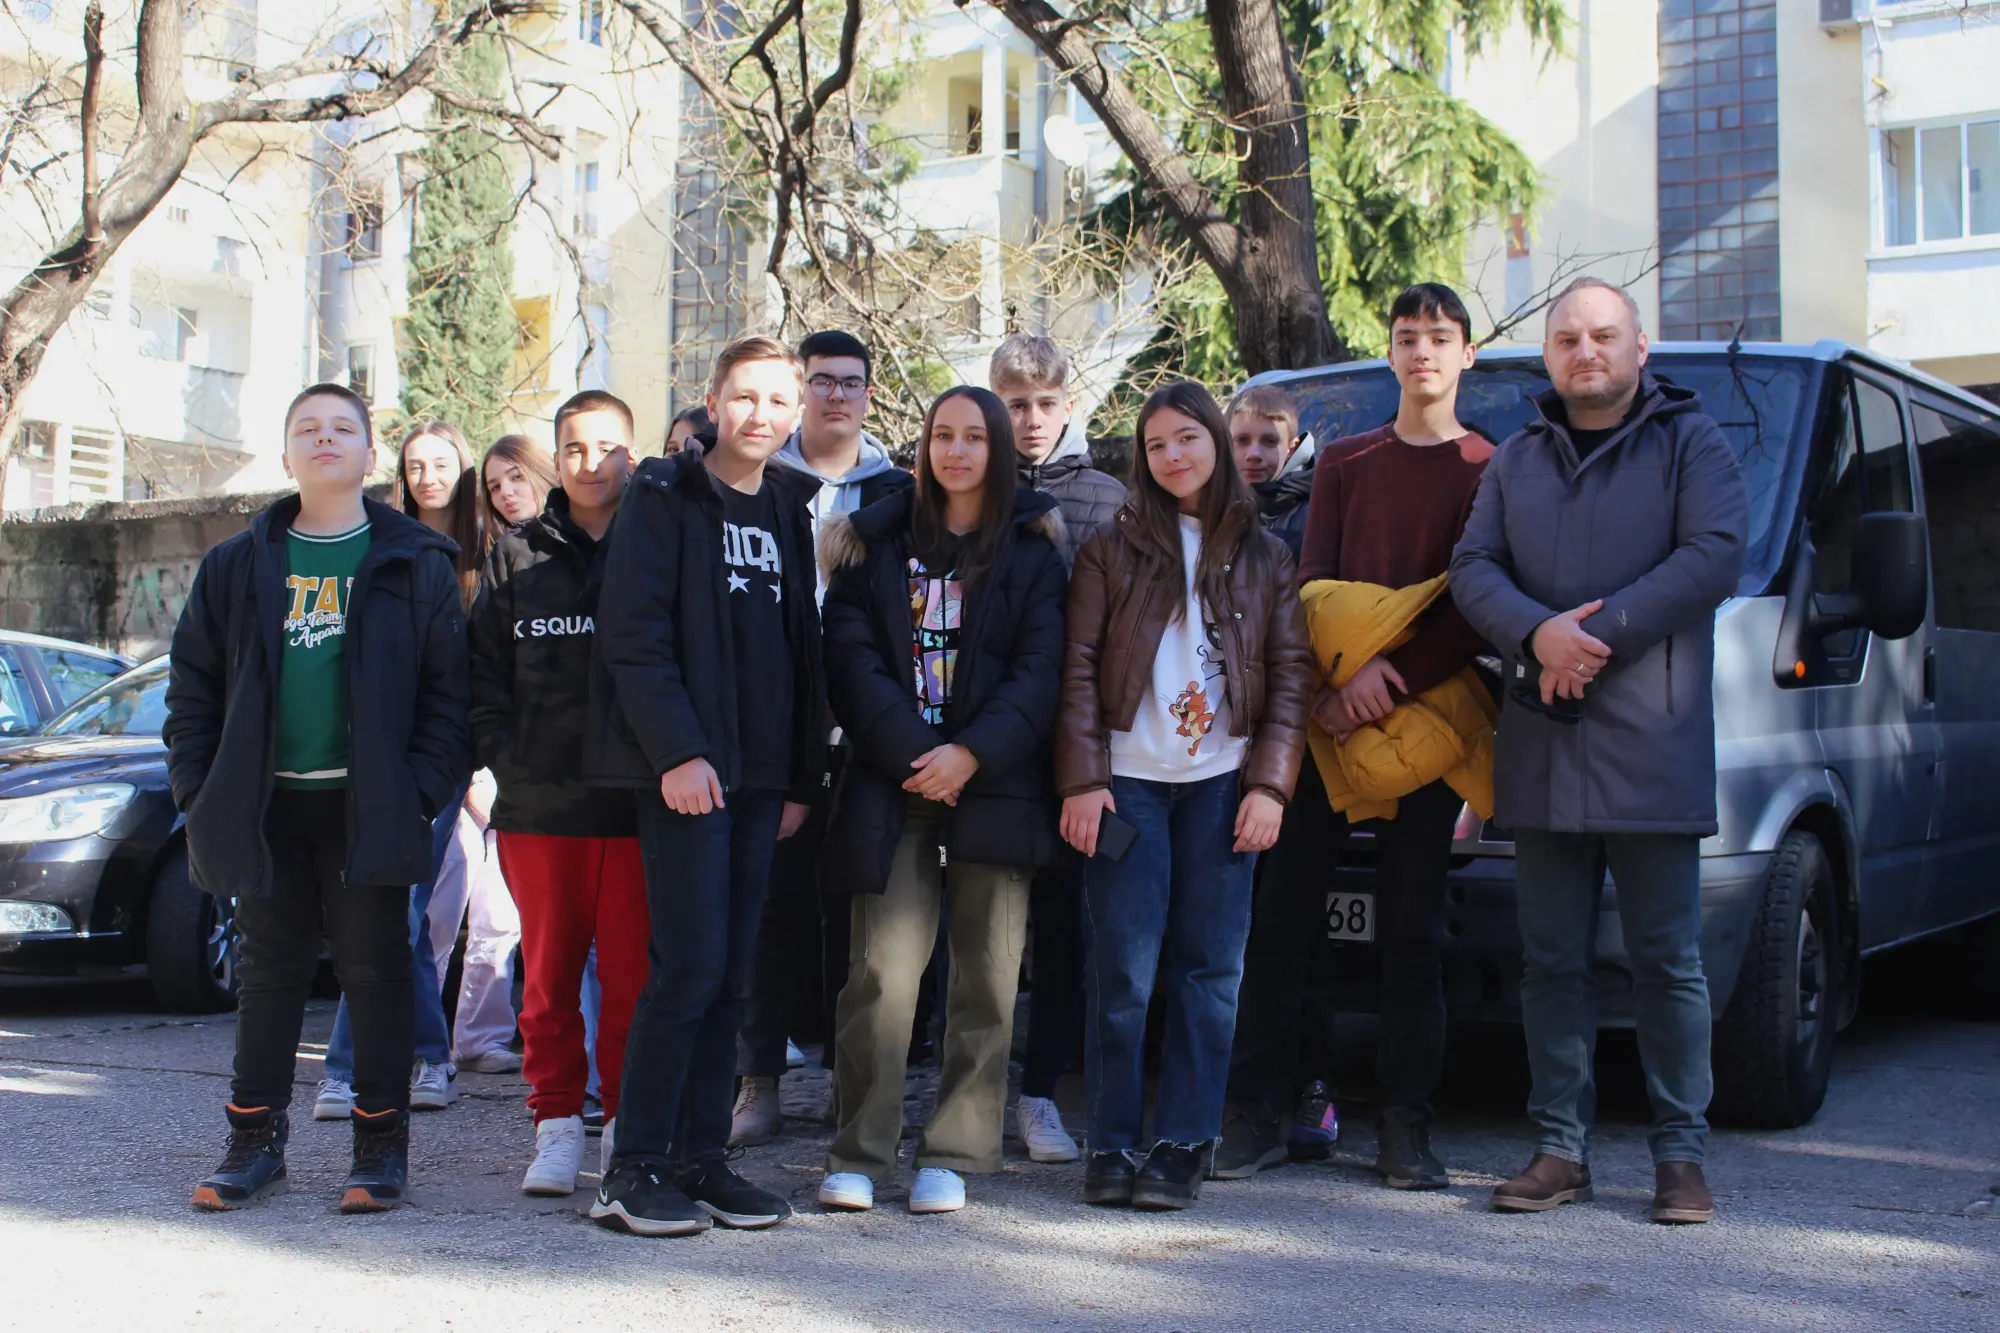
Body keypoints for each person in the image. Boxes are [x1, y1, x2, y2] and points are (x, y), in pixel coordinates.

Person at [1450, 276, 1748, 1225]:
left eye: (1605, 335)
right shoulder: (1517, 458)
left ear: (1640, 348)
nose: (1587, 351)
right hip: (1542, 741)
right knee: (1550, 961)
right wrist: (1537, 633)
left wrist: (1595, 635)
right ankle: (1558, 1149)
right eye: (1569, 338)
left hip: (1650, 740)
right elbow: (1471, 567)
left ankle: (1680, 1156)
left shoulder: (1690, 441)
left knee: (1667, 960)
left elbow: (1715, 552)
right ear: (1549, 355)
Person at [1214, 284, 1498, 1190]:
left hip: (1428, 726)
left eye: (1439, 337)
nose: (1422, 352)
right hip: (1327, 719)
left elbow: (1476, 601)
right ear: (1391, 353)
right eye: (1407, 337)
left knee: (1412, 933)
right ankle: (1257, 1112)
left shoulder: (1490, 467)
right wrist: (1340, 685)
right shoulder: (1346, 460)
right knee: (1282, 922)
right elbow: (1312, 583)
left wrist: (1390, 679)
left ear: (1466, 355)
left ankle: (1406, 1128)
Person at [166, 383, 468, 1212]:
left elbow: (450, 699)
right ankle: (252, 1143)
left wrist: (416, 792)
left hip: (369, 807)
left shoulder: (417, 562)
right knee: (268, 973)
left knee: (376, 972)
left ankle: (379, 1148)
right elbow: (192, 688)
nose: (325, 438)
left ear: (371, 456)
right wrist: (199, 790)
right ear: (286, 453)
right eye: (308, 428)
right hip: (267, 808)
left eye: (342, 428)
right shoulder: (237, 563)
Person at [585, 334, 825, 1237]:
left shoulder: (789, 506)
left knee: (730, 975)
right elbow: (633, 634)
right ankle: (633, 1167)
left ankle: (698, 1156)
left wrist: (800, 774)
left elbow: (801, 649)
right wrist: (679, 753)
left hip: (762, 778)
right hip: (691, 772)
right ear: (715, 403)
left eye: (778, 399)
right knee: (686, 967)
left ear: (796, 413)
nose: (761, 414)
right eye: (745, 397)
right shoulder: (665, 495)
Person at [1056, 381, 1313, 1210]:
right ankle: (1112, 1142)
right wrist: (1084, 779)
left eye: (1187, 438)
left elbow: (1291, 677)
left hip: (1221, 785)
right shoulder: (1111, 547)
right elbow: (1079, 667)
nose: (1173, 455)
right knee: (1122, 971)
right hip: (1127, 785)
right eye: (1157, 444)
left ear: (1216, 442)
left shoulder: (1267, 555)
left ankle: (1183, 1143)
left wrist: (1270, 785)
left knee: (1209, 971)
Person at [814, 386, 1069, 1215]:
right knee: (881, 974)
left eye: (973, 437)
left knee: (987, 976)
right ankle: (860, 1150)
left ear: (999, 449)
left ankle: (955, 1150)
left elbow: (1041, 671)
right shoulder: (875, 543)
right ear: (924, 446)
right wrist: (919, 754)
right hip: (897, 782)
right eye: (942, 435)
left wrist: (971, 753)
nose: (956, 451)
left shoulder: (1032, 550)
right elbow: (849, 660)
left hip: (995, 782)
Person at [731, 329, 913, 1149]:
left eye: (851, 382)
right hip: (772, 722)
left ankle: (851, 1079)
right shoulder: (759, 478)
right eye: (822, 381)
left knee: (859, 907)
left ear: (868, 394)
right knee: (771, 909)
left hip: (865, 722)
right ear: (802, 389)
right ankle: (758, 1079)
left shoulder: (898, 491)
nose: (836, 394)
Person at [471, 390, 647, 1198]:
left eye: (607, 446)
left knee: (633, 984)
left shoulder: (657, 543)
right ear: (556, 455)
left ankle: (623, 1126)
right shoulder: (516, 554)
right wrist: (507, 760)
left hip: (639, 809)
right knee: (546, 983)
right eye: (574, 447)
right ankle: (556, 1124)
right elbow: (479, 675)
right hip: (540, 811)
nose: (590, 462)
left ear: (631, 454)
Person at [315, 420, 480, 1118]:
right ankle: (426, 1057)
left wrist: (475, 767)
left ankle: (353, 1066)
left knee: (398, 912)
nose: (428, 477)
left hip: (443, 757)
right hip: (377, 756)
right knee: (388, 912)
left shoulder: (487, 552)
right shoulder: (379, 545)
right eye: (416, 465)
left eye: (441, 463)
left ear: (463, 468)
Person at [988, 333, 1126, 1165]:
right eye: (1016, 404)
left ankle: (1041, 1092)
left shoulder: (1108, 498)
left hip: (1074, 746)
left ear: (1069, 404)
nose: (1032, 419)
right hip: (989, 742)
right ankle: (971, 1090)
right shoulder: (972, 482)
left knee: (1066, 928)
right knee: (982, 931)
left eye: (1045, 403)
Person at [1228, 384, 1316, 559]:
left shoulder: (1316, 513)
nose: (1254, 454)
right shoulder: (1206, 509)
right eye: (1242, 440)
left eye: (1269, 441)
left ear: (1291, 448)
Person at [483, 433, 560, 532]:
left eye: (517, 477)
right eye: (495, 487)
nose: (505, 492)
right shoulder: (504, 541)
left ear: (543, 473)